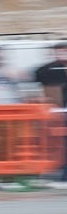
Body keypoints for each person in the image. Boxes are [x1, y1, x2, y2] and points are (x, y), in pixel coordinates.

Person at [35, 42, 67, 183]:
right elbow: (47, 91)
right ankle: (62, 172)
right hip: (58, 112)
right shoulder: (47, 70)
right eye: (60, 51)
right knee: (60, 143)